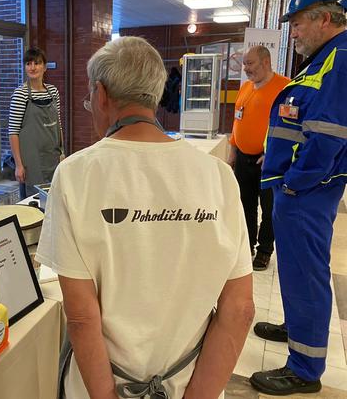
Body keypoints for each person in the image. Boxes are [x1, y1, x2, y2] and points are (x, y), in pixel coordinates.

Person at [36, 36, 255, 399]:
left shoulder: (75, 175)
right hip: (187, 382)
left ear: (101, 95)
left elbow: (82, 317)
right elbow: (240, 309)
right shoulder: (218, 175)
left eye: (90, 98)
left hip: (100, 385)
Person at [250, 0, 347, 396]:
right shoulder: (325, 58)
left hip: (306, 193)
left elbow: (329, 134)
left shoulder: (340, 60)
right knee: (294, 270)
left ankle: (304, 370)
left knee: (306, 274)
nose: (293, 32)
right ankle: (297, 327)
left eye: (297, 23)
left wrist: (294, 184)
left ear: (324, 18)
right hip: (300, 190)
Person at [228, 46, 289, 271]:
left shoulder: (284, 88)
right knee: (245, 205)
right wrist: (233, 150)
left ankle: (264, 250)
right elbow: (237, 121)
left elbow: (290, 126)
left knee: (269, 207)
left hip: (269, 161)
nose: (246, 68)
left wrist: (272, 153)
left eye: (250, 63)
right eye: (244, 64)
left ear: (266, 62)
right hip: (243, 159)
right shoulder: (245, 88)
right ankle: (247, 246)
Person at [8, 47, 64, 198]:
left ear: (45, 67)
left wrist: (62, 152)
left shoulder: (53, 92)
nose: (32, 67)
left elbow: (58, 125)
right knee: (33, 201)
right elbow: (13, 132)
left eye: (37, 63)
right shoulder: (20, 94)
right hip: (31, 162)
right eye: (28, 63)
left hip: (53, 157)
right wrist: (18, 165)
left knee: (55, 198)